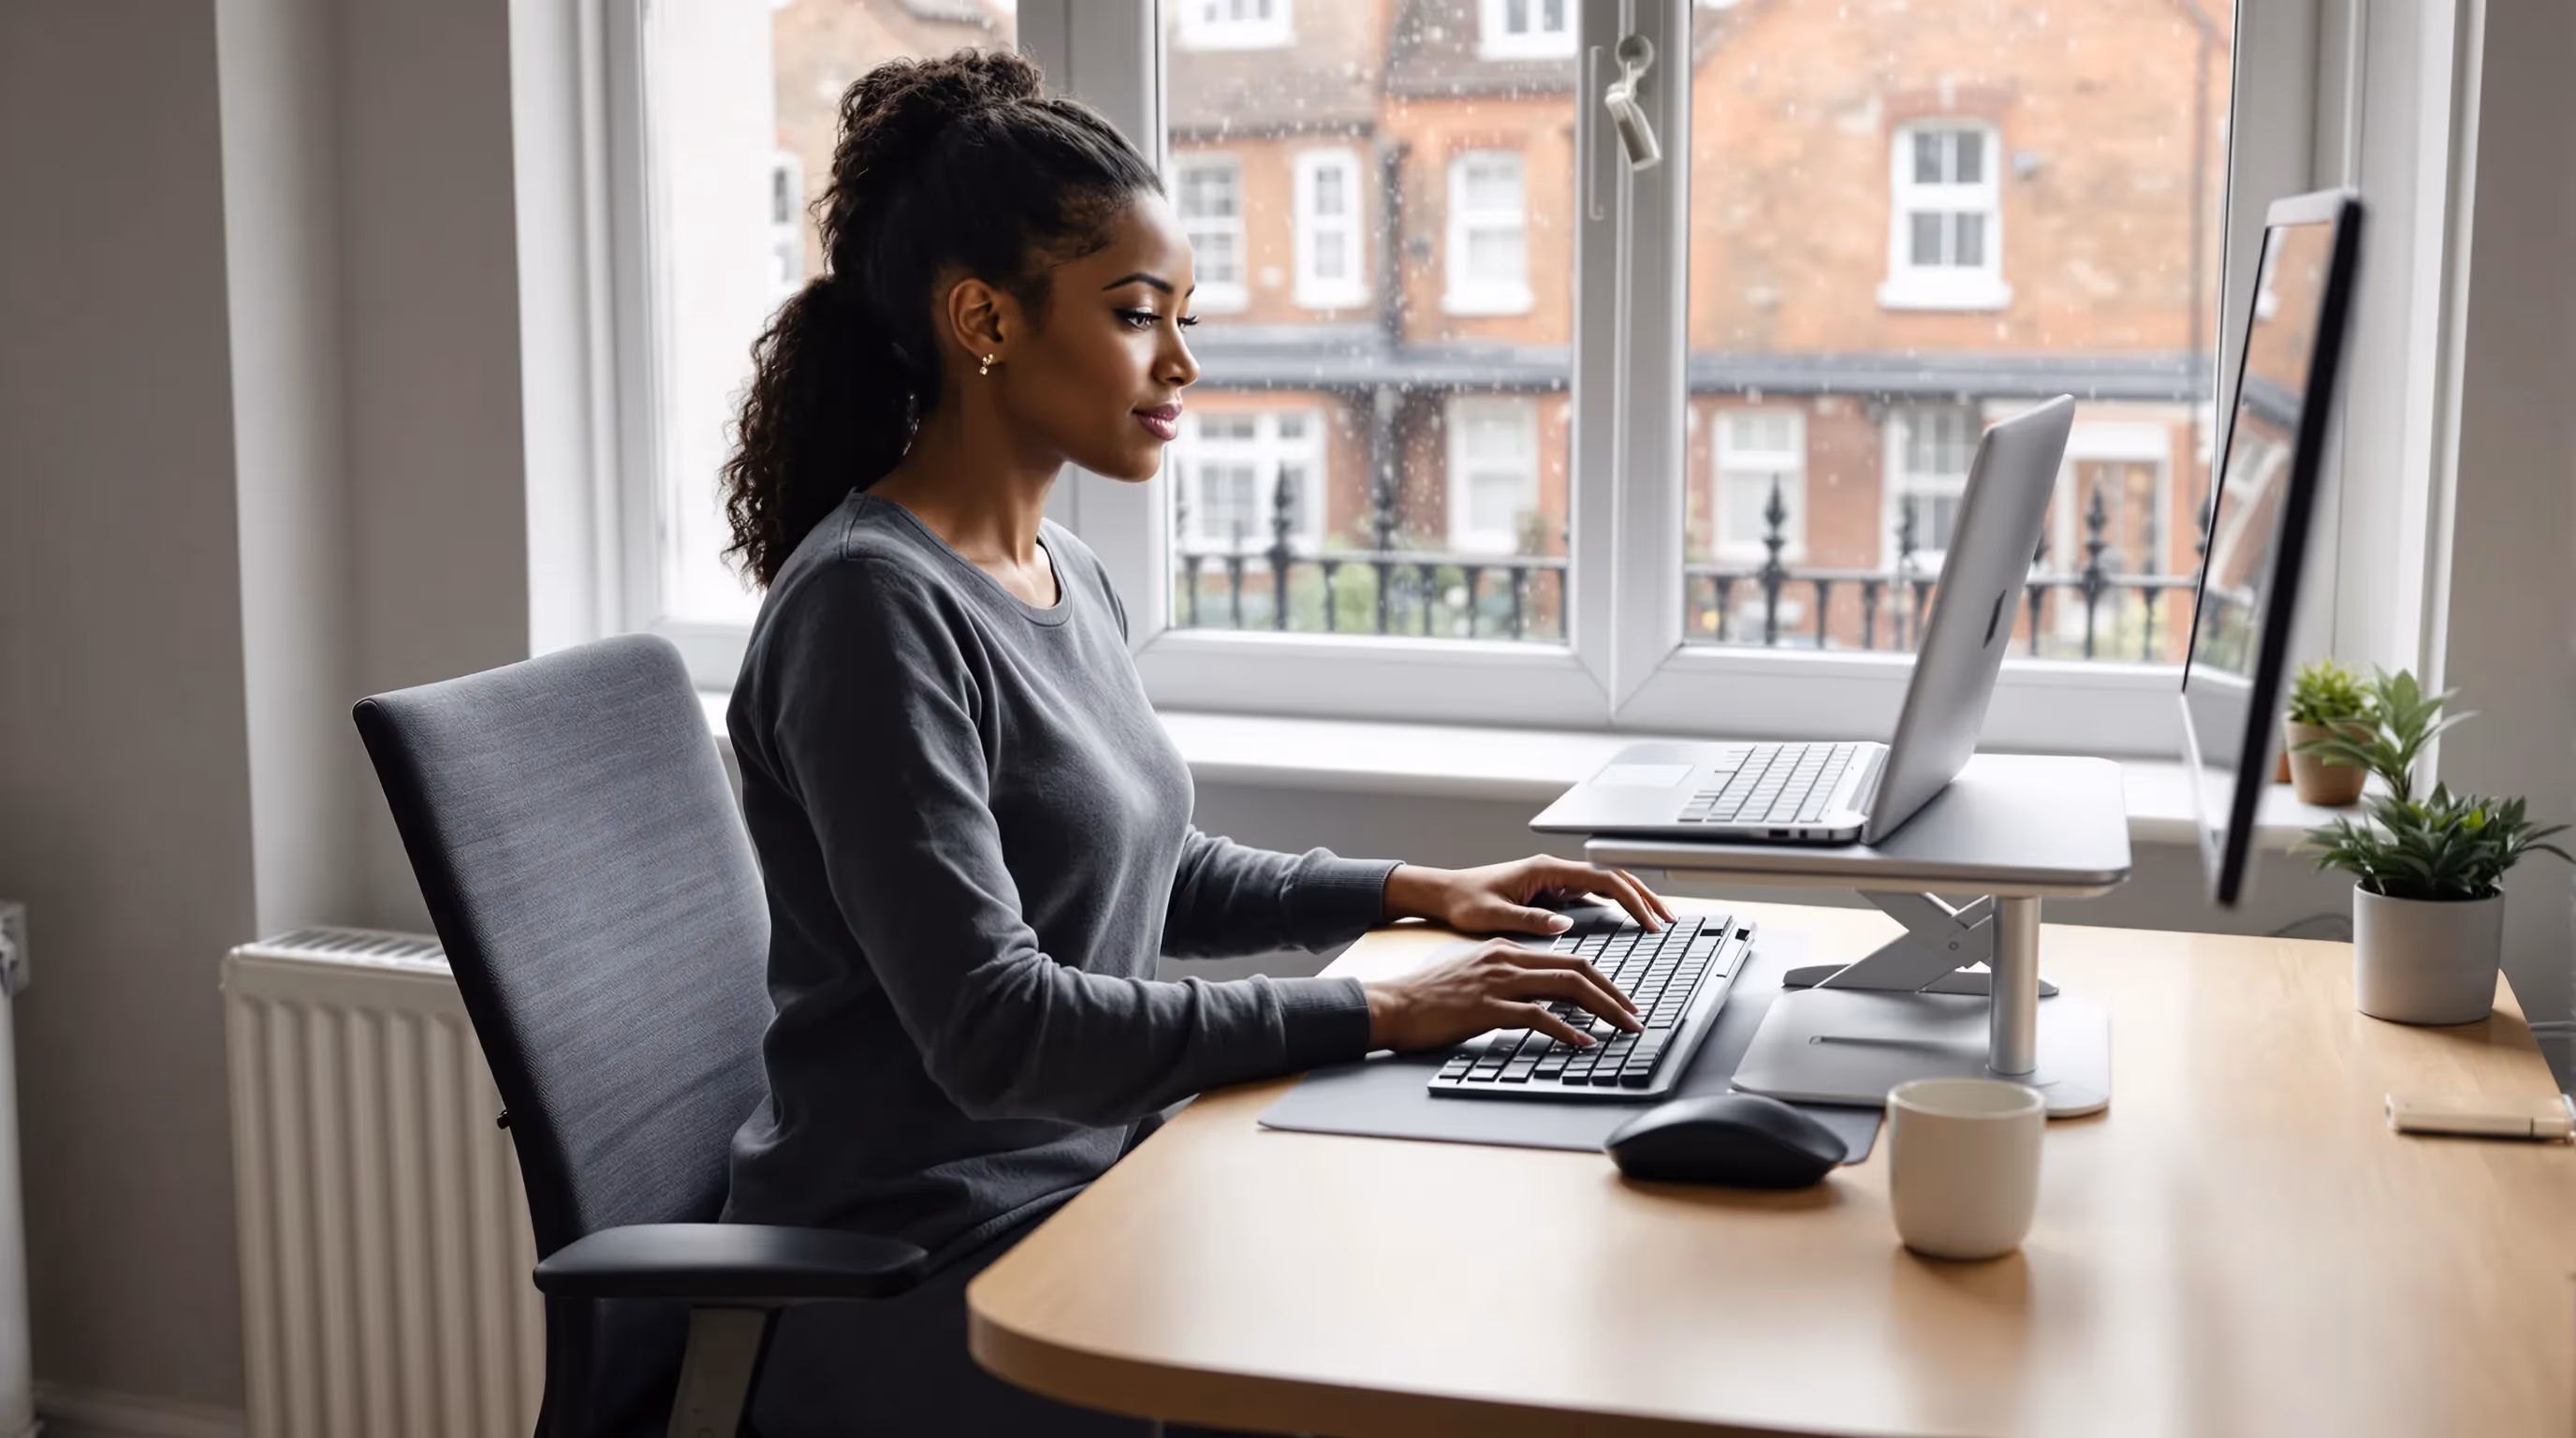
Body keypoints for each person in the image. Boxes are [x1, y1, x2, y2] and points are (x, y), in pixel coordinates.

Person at [717, 49, 1664, 1436]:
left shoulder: (1057, 569)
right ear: (983, 317)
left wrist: (1413, 894)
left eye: (1184, 315)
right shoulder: (870, 609)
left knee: (1470, 1275)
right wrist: (1379, 1012)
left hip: (1096, 1189)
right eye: (1134, 314)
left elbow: (1143, 864)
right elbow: (996, 1030)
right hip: (930, 1270)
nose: (1183, 362)